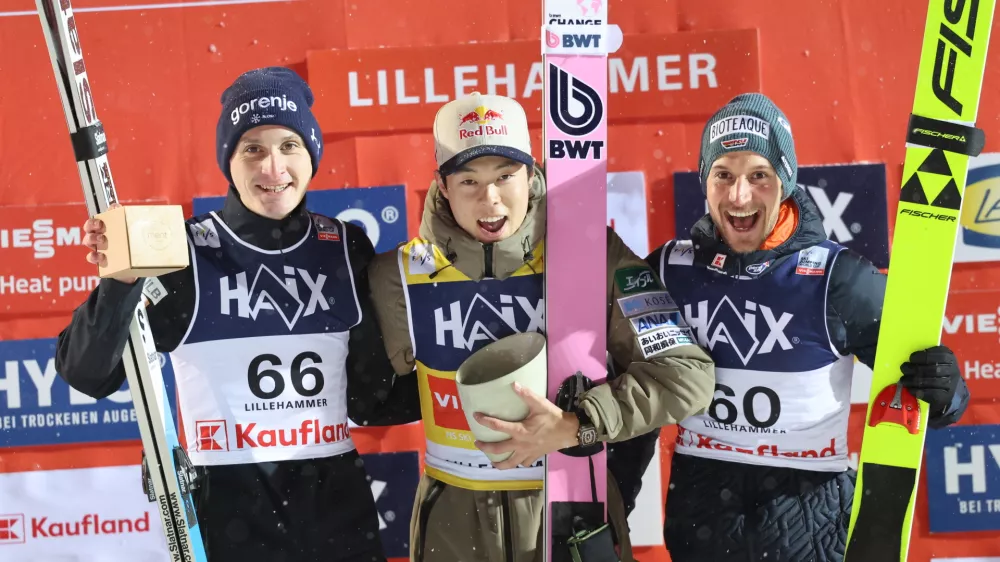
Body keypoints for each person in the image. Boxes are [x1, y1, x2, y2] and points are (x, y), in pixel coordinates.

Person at [54, 66, 419, 562]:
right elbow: (88, 373)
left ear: (311, 153)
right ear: (229, 161)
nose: (273, 168)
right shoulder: (185, 254)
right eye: (252, 149)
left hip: (337, 521)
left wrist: (463, 381)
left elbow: (370, 401)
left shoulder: (343, 246)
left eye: (289, 145)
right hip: (230, 522)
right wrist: (119, 282)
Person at [365, 91, 716, 562]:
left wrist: (577, 425)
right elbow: (363, 397)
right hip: (453, 529)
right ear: (442, 186)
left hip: (569, 516)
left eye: (505, 176)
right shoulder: (396, 275)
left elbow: (687, 375)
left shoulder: (591, 254)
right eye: (468, 180)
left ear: (531, 174)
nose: (490, 199)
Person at [641, 92, 971, 562]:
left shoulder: (838, 278)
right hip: (702, 534)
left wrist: (944, 388)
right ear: (705, 181)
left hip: (812, 534)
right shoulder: (670, 271)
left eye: (759, 175)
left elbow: (940, 400)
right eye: (723, 175)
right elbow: (629, 388)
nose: (739, 196)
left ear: (786, 179)